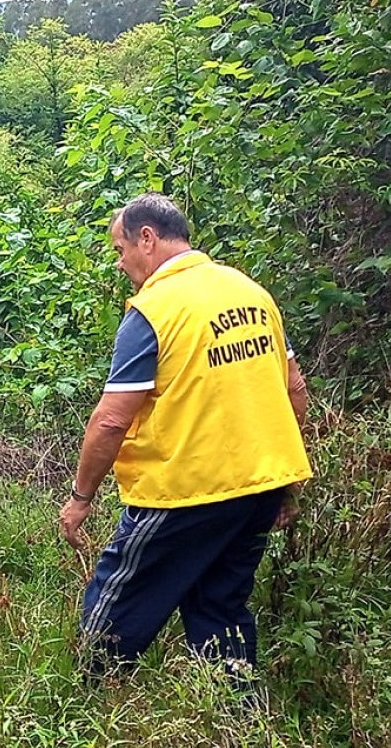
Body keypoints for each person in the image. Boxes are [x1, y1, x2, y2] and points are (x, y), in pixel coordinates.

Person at [58, 192, 312, 681]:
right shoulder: (251, 293)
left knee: (119, 600)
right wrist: (285, 485)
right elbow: (295, 391)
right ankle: (237, 722)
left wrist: (81, 497)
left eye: (120, 249)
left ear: (147, 238)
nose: (120, 263)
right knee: (221, 605)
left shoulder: (155, 309)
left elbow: (110, 420)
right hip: (257, 489)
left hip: (186, 492)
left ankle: (82, 701)